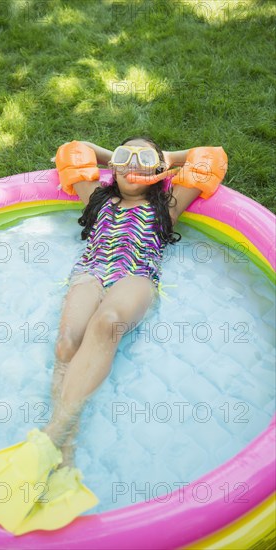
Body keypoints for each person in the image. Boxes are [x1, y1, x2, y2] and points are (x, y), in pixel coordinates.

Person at [44, 137, 228, 468]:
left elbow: (210, 155)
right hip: (91, 272)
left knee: (107, 321)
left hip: (135, 276)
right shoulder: (97, 198)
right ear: (113, 166)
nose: (132, 165)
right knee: (66, 344)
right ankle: (65, 447)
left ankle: (52, 433)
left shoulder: (168, 204)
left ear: (158, 171)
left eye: (143, 160)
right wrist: (115, 159)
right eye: (124, 158)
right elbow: (74, 150)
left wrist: (164, 159)